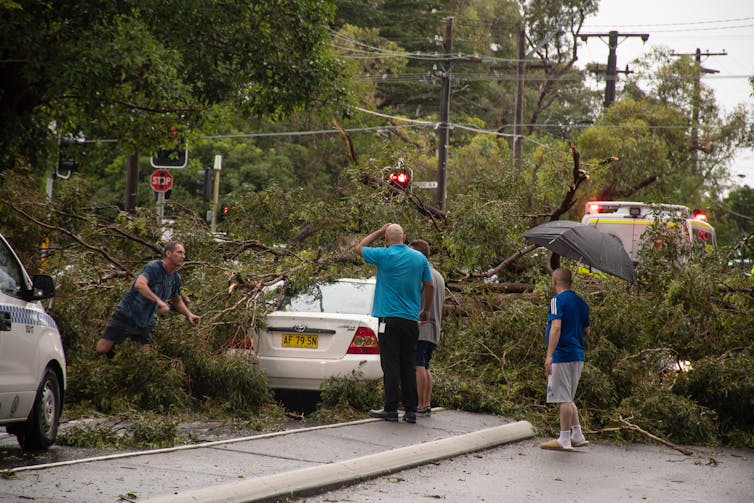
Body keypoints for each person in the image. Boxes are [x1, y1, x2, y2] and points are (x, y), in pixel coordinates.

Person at [356, 224, 434, 424]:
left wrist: (379, 231)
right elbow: (430, 284)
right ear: (405, 237)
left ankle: (390, 408)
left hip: (388, 319)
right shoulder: (420, 258)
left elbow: (360, 247)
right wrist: (426, 309)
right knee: (408, 364)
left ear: (386, 239)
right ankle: (411, 410)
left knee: (390, 364)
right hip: (410, 319)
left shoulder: (383, 255)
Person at [96, 241, 200, 356]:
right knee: (102, 349)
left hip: (145, 321)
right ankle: (113, 350)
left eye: (184, 253)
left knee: (144, 358)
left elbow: (177, 300)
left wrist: (189, 314)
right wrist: (159, 301)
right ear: (168, 253)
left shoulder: (176, 278)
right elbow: (140, 285)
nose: (183, 256)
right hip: (127, 314)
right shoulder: (153, 267)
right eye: (179, 252)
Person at [540, 267, 590, 451]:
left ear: (554, 280)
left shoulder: (557, 300)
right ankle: (577, 434)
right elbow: (587, 331)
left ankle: (564, 439)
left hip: (562, 354)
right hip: (578, 354)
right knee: (568, 395)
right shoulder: (582, 303)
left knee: (564, 398)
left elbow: (556, 327)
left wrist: (549, 355)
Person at [409, 239, 445, 417]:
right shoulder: (438, 274)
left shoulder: (423, 274)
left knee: (418, 366)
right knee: (426, 365)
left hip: (422, 326)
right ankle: (427, 402)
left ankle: (420, 404)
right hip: (434, 328)